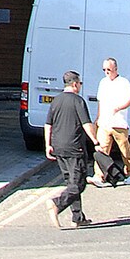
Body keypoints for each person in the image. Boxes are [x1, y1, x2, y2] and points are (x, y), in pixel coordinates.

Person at [45, 69, 97, 229]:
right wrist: (96, 141)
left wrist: (47, 145)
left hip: (58, 147)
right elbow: (86, 124)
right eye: (80, 83)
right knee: (79, 184)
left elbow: (48, 124)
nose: (80, 86)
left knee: (71, 183)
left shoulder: (56, 100)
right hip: (74, 147)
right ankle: (56, 203)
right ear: (75, 84)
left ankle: (78, 217)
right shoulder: (78, 101)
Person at [93, 57, 130, 185]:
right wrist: (98, 118)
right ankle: (99, 176)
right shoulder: (103, 82)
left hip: (119, 123)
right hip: (104, 122)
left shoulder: (123, 82)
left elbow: (129, 100)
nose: (106, 72)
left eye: (109, 69)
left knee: (124, 150)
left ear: (115, 69)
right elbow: (100, 102)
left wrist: (118, 108)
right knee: (102, 150)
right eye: (104, 69)